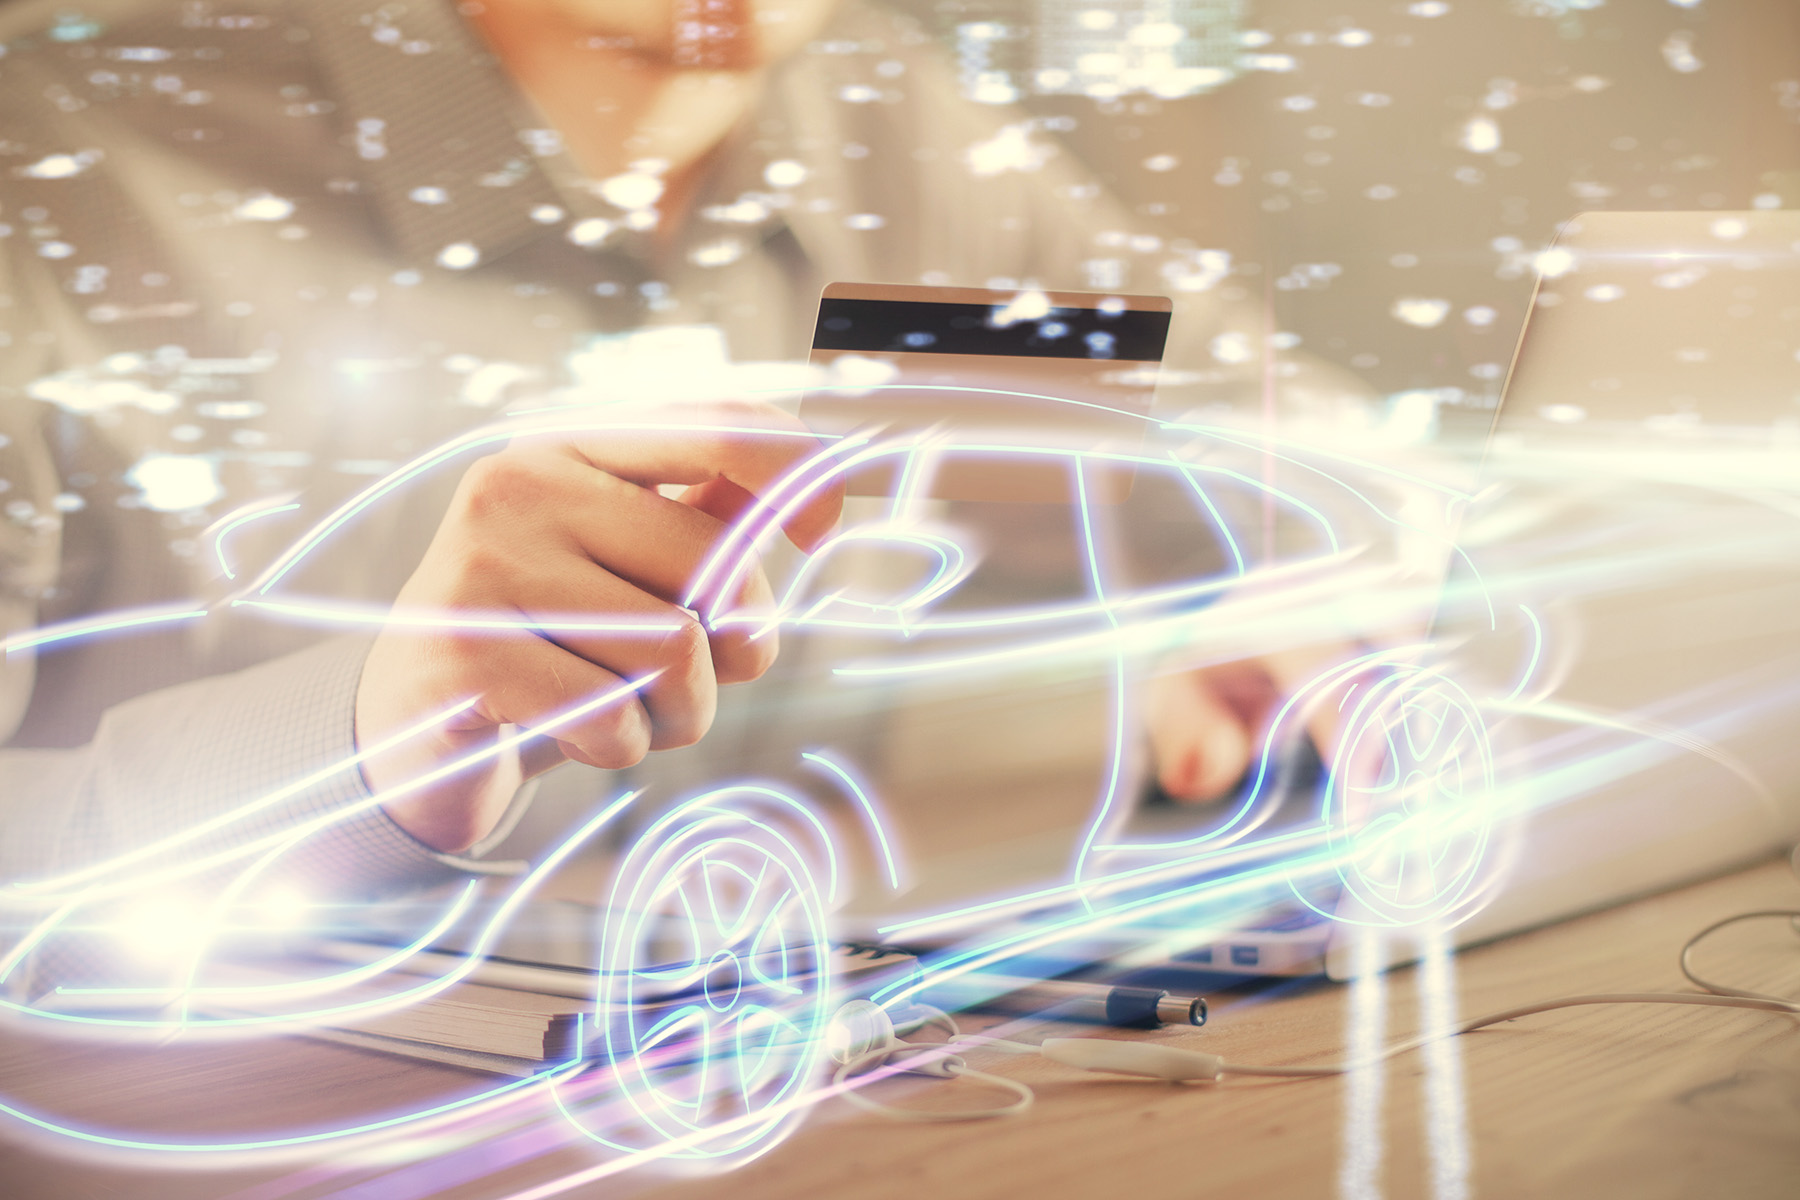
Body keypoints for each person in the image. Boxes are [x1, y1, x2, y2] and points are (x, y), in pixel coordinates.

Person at [0, 0, 1366, 985]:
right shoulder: (50, 182)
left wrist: (1293, 559)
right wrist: (375, 744)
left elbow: (1246, 401)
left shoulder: (885, 131)